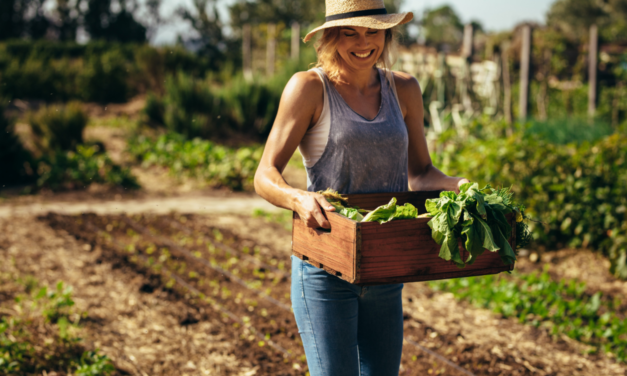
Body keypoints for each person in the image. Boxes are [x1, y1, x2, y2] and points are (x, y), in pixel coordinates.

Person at [254, 0, 469, 374]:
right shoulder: (309, 88)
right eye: (350, 31)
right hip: (325, 267)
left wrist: (460, 186)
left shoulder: (404, 89)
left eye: (373, 31)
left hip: (385, 265)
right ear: (330, 36)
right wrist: (298, 199)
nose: (363, 42)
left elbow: (420, 174)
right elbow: (264, 174)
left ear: (387, 33)